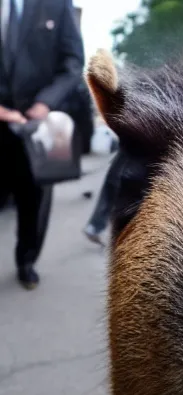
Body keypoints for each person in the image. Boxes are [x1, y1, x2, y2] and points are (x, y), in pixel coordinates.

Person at [0, 0, 84, 289]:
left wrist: (44, 103)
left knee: (33, 200)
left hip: (37, 125)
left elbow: (72, 63)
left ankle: (26, 260)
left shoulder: (56, 5)